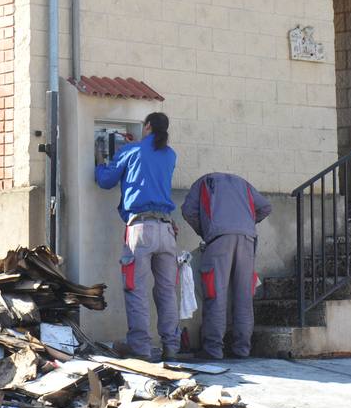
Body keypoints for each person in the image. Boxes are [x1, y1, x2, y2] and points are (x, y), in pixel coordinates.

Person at [95, 112, 179, 362]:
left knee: (136, 290)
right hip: (167, 230)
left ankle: (141, 350)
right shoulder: (170, 154)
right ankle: (171, 347)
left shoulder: (130, 152)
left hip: (140, 230)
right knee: (167, 292)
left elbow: (106, 181)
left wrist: (100, 160)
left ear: (148, 126)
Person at [180, 171, 271, 360]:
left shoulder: (204, 181)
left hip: (219, 240)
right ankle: (242, 349)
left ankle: (213, 350)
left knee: (215, 294)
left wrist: (205, 231)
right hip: (247, 239)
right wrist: (246, 223)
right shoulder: (243, 183)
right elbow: (265, 207)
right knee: (244, 296)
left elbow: (188, 211)